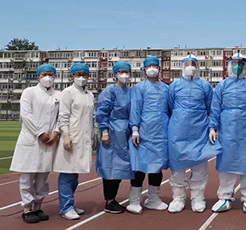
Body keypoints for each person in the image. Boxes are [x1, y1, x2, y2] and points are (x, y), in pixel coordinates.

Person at [209, 53, 246, 214]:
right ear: (228, 65)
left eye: (241, 64)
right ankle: (225, 196)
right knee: (226, 163)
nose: (237, 66)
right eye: (234, 63)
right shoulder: (222, 86)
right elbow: (215, 107)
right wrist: (213, 127)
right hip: (227, 130)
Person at [168, 55, 222, 213]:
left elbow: (212, 108)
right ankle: (178, 197)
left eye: (193, 64)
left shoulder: (205, 86)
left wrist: (212, 127)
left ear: (198, 67)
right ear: (182, 67)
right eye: (187, 64)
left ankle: (198, 198)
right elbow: (170, 106)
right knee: (177, 166)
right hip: (177, 130)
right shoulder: (174, 86)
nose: (190, 67)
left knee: (199, 165)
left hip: (199, 130)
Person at [10, 64, 61, 224]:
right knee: (27, 176)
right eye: (44, 74)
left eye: (51, 74)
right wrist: (40, 133)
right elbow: (26, 115)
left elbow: (61, 117)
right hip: (31, 139)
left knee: (42, 177)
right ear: (38, 76)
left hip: (50, 140)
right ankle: (27, 208)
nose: (48, 77)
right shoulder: (29, 92)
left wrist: (56, 133)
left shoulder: (59, 95)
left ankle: (38, 206)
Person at [53, 63, 95, 220]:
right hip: (72, 137)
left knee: (75, 175)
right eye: (78, 75)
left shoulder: (89, 95)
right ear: (73, 76)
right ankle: (66, 207)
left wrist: (94, 135)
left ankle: (70, 203)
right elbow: (63, 115)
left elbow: (91, 117)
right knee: (67, 174)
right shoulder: (67, 92)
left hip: (84, 139)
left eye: (84, 74)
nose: (81, 77)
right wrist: (65, 134)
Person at [128, 56, 170, 214]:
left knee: (156, 168)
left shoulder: (166, 89)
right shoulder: (139, 88)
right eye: (149, 66)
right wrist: (135, 129)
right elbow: (135, 109)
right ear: (144, 70)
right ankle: (134, 201)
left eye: (155, 66)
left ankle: (153, 199)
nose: (152, 69)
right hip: (143, 133)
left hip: (161, 133)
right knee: (139, 167)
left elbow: (170, 110)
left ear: (160, 68)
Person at [95, 61, 134, 214]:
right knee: (110, 167)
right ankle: (109, 200)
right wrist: (104, 131)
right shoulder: (110, 91)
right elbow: (102, 111)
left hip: (126, 132)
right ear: (115, 74)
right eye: (121, 72)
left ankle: (112, 199)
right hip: (112, 132)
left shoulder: (131, 92)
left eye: (127, 71)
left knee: (120, 168)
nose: (124, 75)